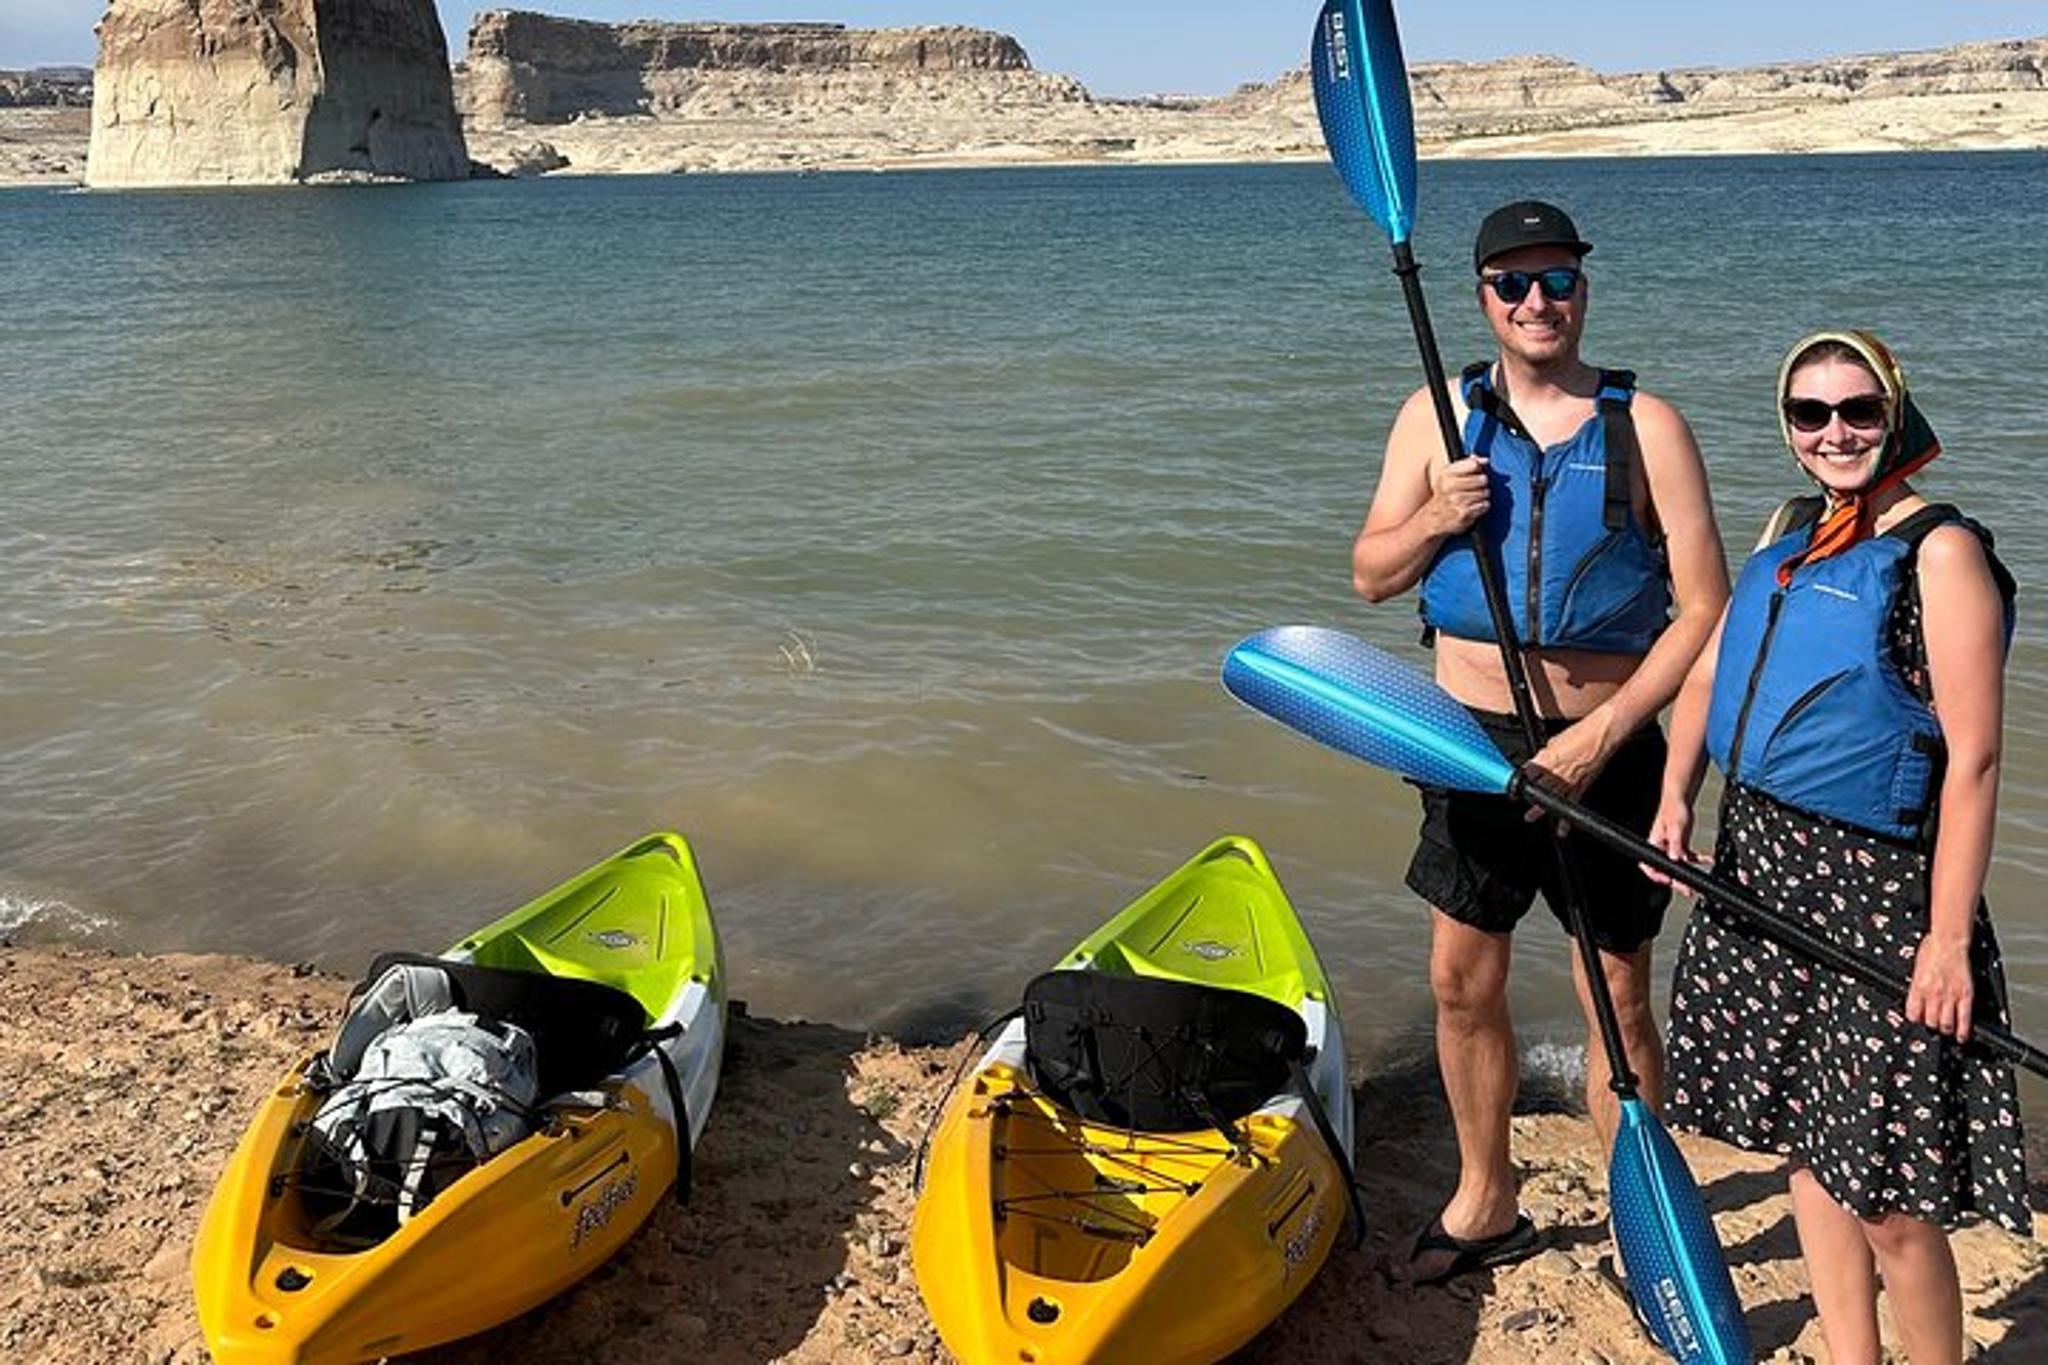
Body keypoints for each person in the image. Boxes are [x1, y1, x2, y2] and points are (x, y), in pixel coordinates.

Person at [1352, 200, 1730, 1283]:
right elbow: (1371, 575)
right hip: (1468, 743)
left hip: (1608, 743)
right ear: (1480, 297)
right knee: (1459, 981)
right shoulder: (1434, 418)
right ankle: (1484, 1199)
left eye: (1556, 280)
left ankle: (1634, 1212)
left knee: (1616, 992)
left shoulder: (1646, 425)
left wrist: (1604, 733)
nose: (1535, 302)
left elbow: (1705, 607)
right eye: (1512, 283)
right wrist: (1435, 517)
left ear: (1583, 292)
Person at [1651, 330, 2029, 1363]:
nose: (1834, 433)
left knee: (1888, 1198)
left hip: (1879, 893)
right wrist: (1675, 797)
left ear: (1893, 412)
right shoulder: (1788, 528)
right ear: (1787, 426)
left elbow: (1975, 761)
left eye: (1857, 410)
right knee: (1804, 1150)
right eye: (1808, 413)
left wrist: (1943, 941)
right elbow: (1708, 673)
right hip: (1762, 868)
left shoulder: (1939, 553)